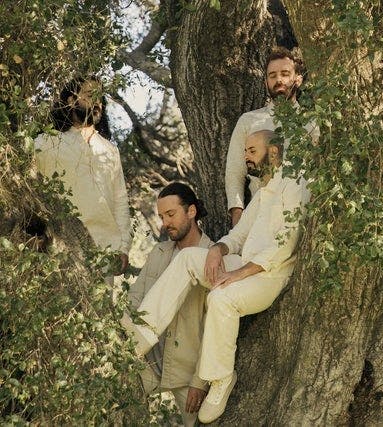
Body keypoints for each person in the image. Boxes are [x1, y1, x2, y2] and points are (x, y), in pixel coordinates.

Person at [122, 129, 309, 423]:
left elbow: (285, 245)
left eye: (251, 151)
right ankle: (141, 334)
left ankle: (221, 378)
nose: (246, 157)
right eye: (245, 152)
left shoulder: (296, 186)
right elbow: (238, 235)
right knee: (187, 258)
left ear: (273, 152)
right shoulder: (263, 191)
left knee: (221, 298)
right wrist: (216, 250)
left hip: (270, 275)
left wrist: (238, 274)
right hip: (244, 266)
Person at [128, 182, 211, 426]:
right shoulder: (159, 252)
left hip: (186, 371)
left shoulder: (212, 258)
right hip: (148, 362)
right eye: (162, 216)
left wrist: (199, 381)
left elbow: (214, 328)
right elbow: (134, 299)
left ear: (191, 211)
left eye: (171, 214)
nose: (165, 223)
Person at [34, 76, 131, 274]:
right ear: (71, 100)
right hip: (61, 247)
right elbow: (32, 193)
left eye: (99, 97)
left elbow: (120, 201)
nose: (97, 102)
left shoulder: (110, 150)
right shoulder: (46, 143)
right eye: (89, 95)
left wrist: (123, 247)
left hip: (106, 248)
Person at [226, 46, 319, 226]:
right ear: (266, 82)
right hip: (259, 215)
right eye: (272, 75)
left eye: (285, 74)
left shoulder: (312, 124)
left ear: (298, 79)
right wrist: (237, 216)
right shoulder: (249, 121)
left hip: (301, 217)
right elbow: (234, 172)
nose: (278, 80)